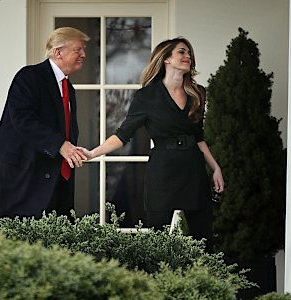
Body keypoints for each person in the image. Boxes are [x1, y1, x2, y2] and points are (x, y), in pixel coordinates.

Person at [79, 37, 224, 244]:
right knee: (158, 240)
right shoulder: (146, 97)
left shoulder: (197, 93)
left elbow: (198, 136)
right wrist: (93, 153)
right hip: (163, 171)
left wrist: (215, 168)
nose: (188, 56)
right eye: (182, 52)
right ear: (166, 59)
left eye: (189, 53)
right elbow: (123, 134)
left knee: (204, 240)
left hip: (193, 169)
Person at [0, 27, 89, 222]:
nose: (83, 54)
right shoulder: (30, 77)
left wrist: (73, 150)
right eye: (78, 49)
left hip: (53, 181)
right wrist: (60, 145)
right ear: (58, 52)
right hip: (19, 182)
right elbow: (22, 118)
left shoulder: (68, 88)